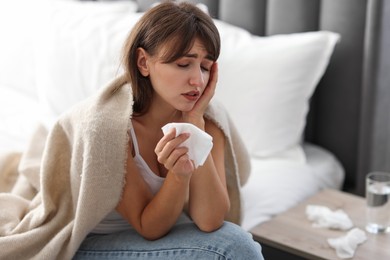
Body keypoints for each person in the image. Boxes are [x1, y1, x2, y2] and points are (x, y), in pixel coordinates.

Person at [0, 1, 263, 259]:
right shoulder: (109, 128)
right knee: (232, 246)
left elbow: (210, 221)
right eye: (184, 64)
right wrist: (179, 177)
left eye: (205, 67)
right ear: (143, 62)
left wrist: (195, 127)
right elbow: (149, 226)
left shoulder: (208, 120)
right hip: (91, 241)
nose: (198, 80)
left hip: (156, 237)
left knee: (233, 243)